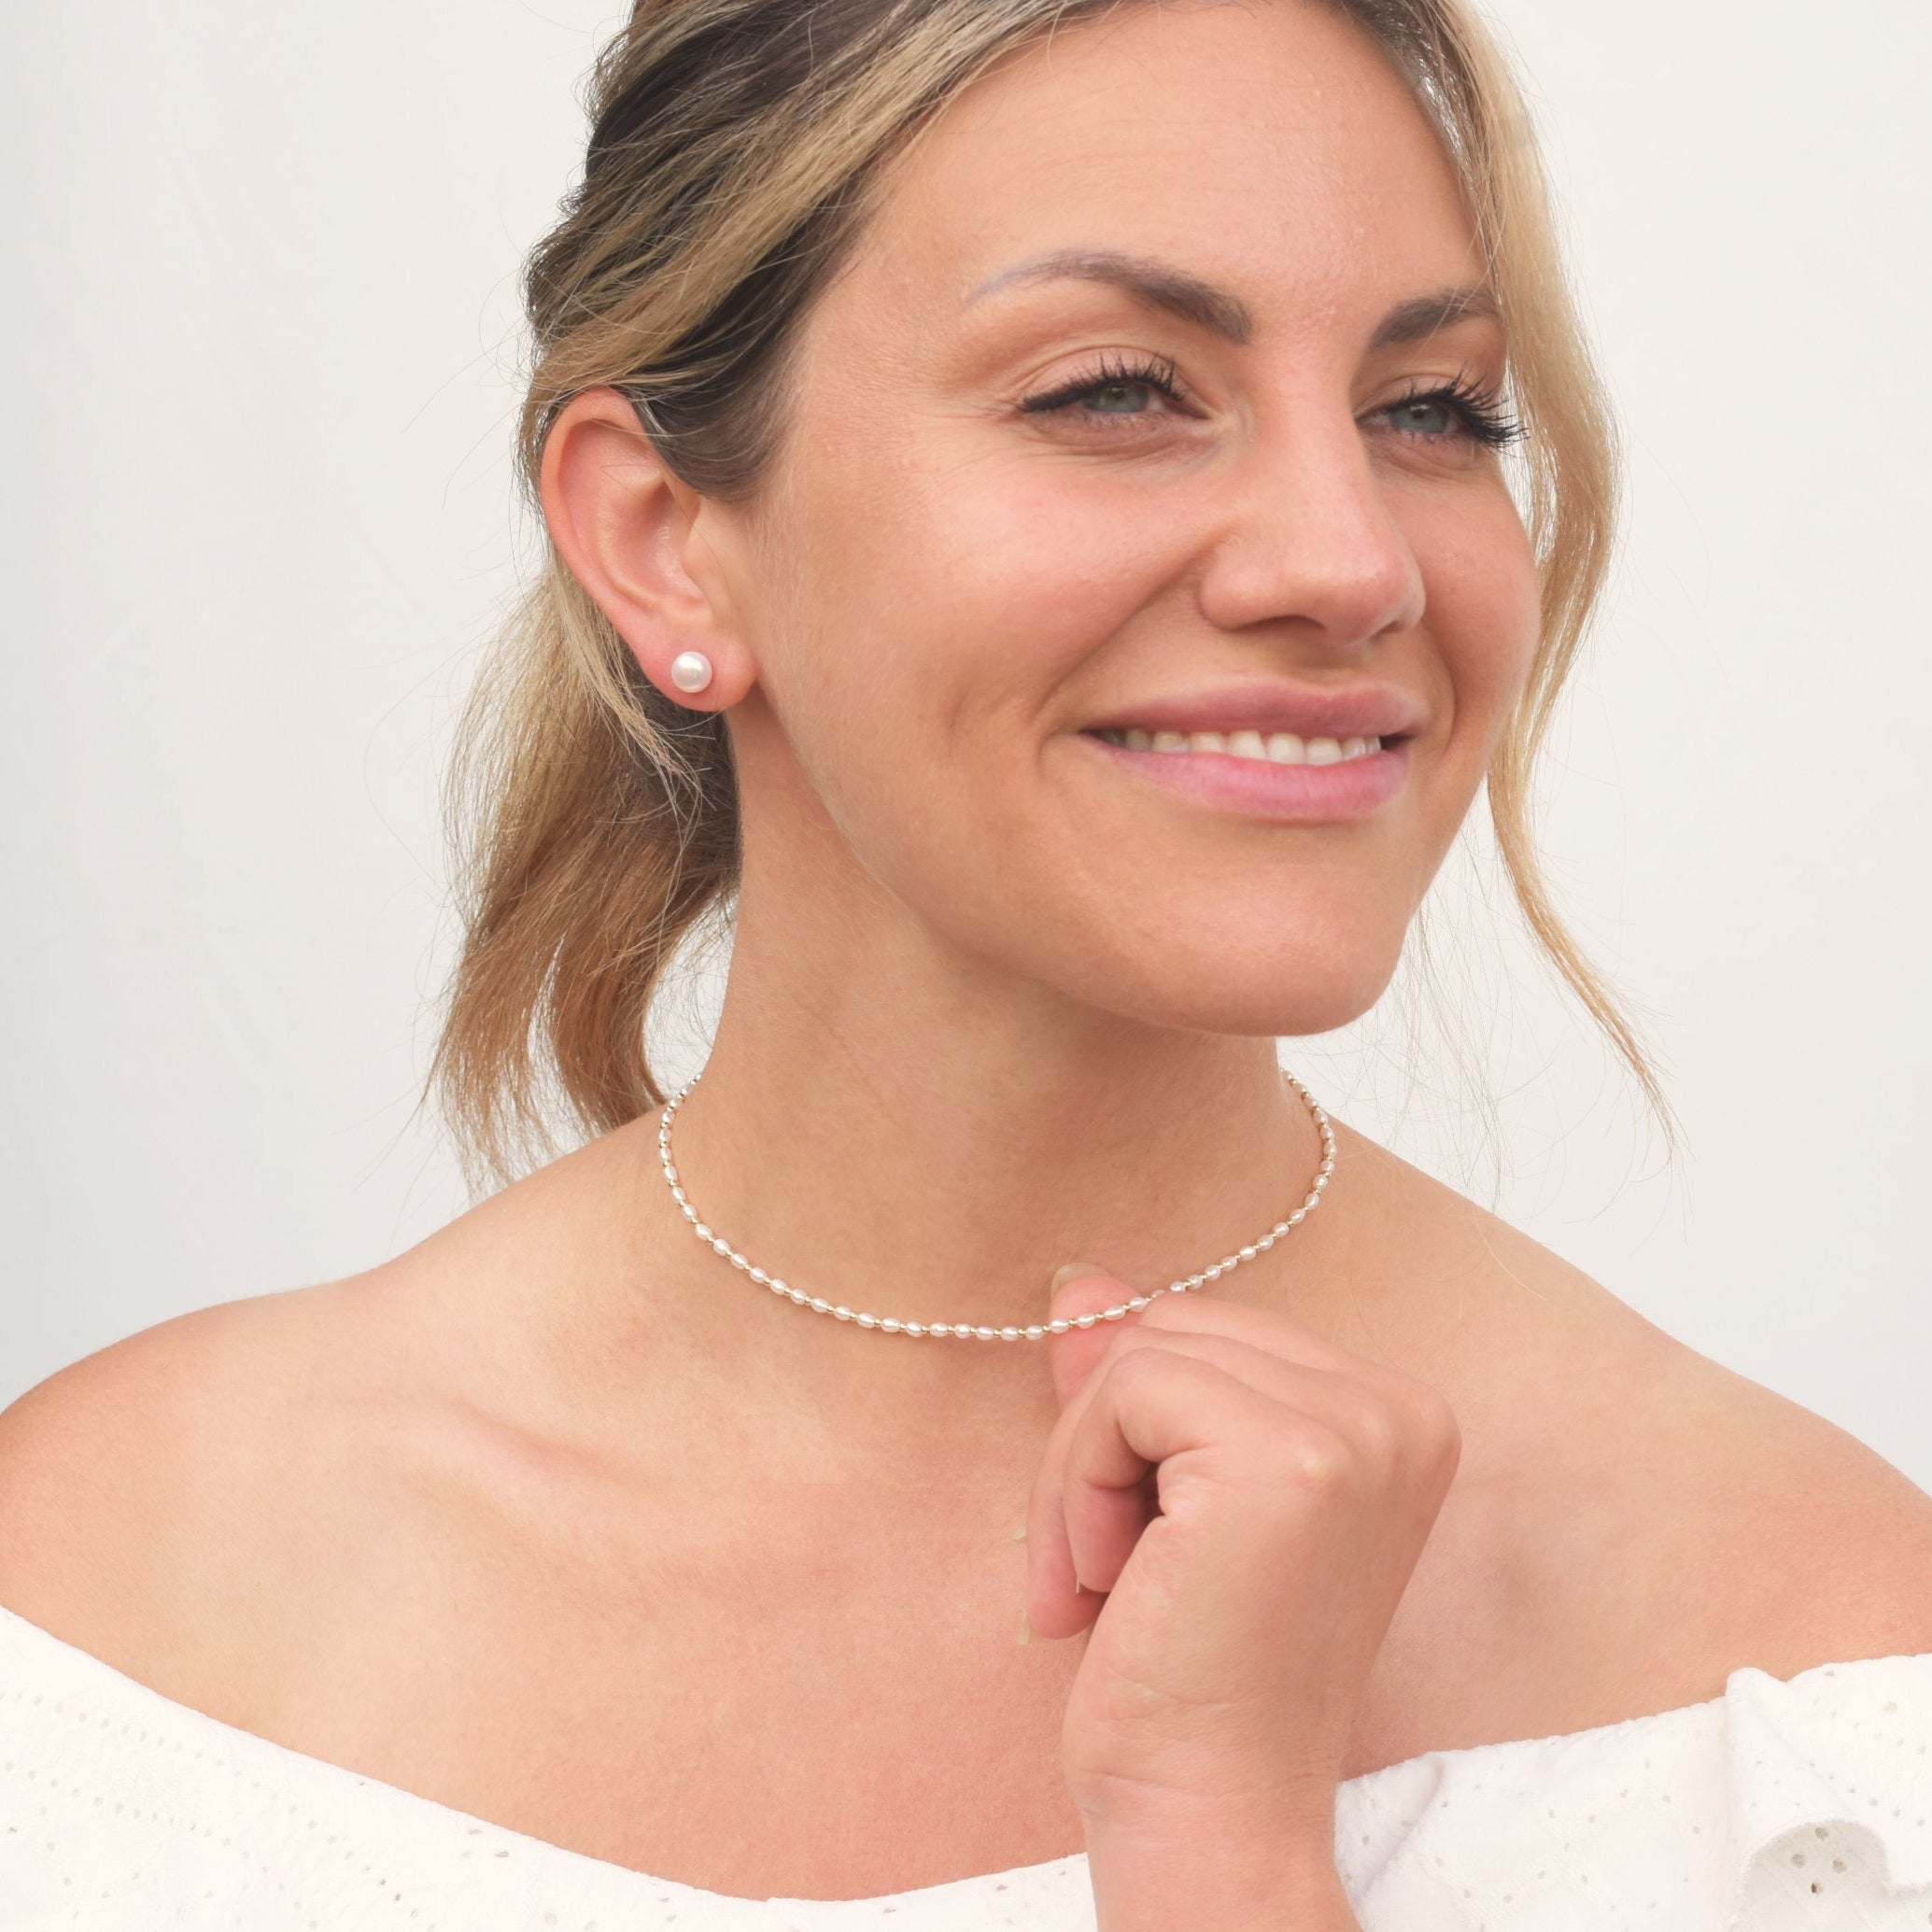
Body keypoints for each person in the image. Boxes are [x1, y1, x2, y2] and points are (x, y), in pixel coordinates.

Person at [3, 0, 1930, 1925]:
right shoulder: (108, 1613)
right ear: (666, 539)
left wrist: (1229, 1854)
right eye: (1115, 389)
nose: (1351, 564)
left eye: (1431, 409)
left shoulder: (1812, 1678)